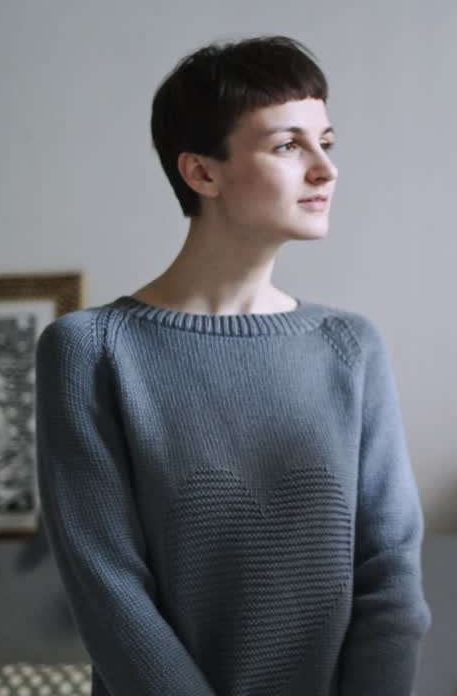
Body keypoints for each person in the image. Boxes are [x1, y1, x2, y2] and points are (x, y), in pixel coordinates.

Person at [35, 36, 430, 695]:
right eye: (288, 146)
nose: (325, 170)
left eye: (326, 142)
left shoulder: (351, 346)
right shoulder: (90, 350)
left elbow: (390, 575)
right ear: (202, 172)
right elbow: (107, 589)